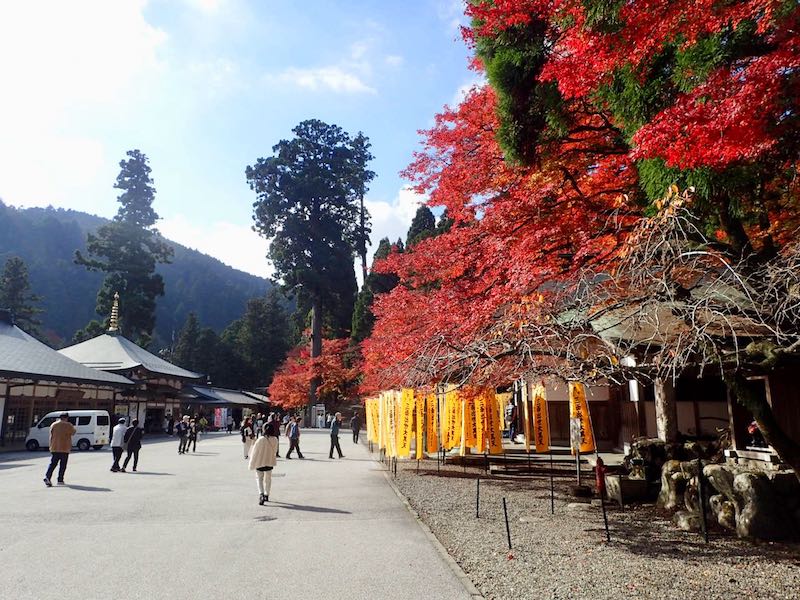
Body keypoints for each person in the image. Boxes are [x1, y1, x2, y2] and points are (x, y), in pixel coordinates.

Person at [249, 416, 279, 504]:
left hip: (260, 462)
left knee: (259, 479)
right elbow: (275, 451)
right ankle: (267, 494)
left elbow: (254, 452)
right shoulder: (275, 439)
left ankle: (261, 494)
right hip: (269, 461)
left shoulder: (260, 439)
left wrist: (252, 463)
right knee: (268, 479)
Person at [43, 412, 76, 487]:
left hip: (55, 447)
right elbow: (73, 432)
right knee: (63, 465)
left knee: (52, 464)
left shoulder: (54, 424)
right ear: (66, 418)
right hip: (64, 447)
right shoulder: (68, 425)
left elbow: (51, 435)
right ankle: (60, 479)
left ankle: (47, 477)